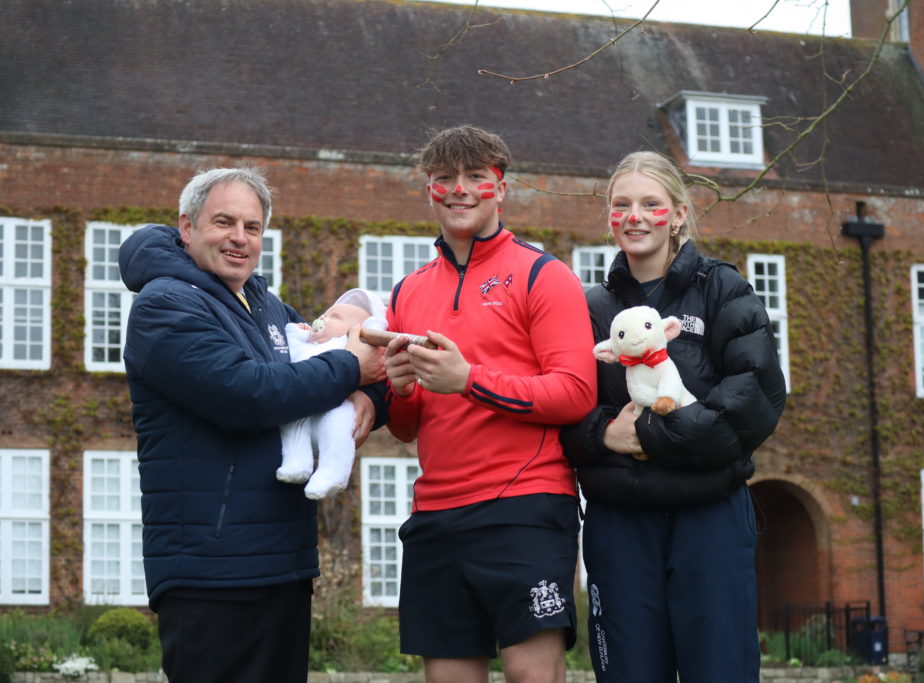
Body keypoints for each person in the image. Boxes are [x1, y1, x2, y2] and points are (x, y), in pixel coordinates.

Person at [118, 167, 386, 683]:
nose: (239, 238)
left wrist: (369, 395)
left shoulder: (264, 304)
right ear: (187, 227)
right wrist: (353, 370)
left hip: (283, 563)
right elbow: (247, 395)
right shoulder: (165, 305)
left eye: (252, 227)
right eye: (224, 222)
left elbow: (321, 358)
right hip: (212, 572)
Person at [560, 151, 787, 682]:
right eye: (621, 205)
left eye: (650, 204)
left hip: (709, 517)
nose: (634, 216)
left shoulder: (723, 289)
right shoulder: (588, 308)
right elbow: (562, 405)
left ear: (679, 214)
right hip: (620, 522)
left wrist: (647, 434)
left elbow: (754, 398)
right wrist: (601, 434)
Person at [382, 125, 598, 683]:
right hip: (435, 512)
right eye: (444, 177)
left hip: (524, 505)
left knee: (532, 674)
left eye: (475, 176)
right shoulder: (407, 291)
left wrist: (468, 380)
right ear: (429, 190)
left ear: (500, 188)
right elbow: (406, 427)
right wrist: (401, 391)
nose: (459, 189)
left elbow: (576, 393)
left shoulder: (544, 274)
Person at [277, 287, 387, 499]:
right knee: (291, 421)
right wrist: (297, 331)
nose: (322, 319)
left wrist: (370, 396)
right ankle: (296, 461)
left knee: (338, 423)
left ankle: (333, 471)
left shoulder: (348, 345)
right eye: (323, 315)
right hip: (300, 404)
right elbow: (287, 342)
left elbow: (378, 362)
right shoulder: (305, 342)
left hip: (337, 406)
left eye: (335, 317)